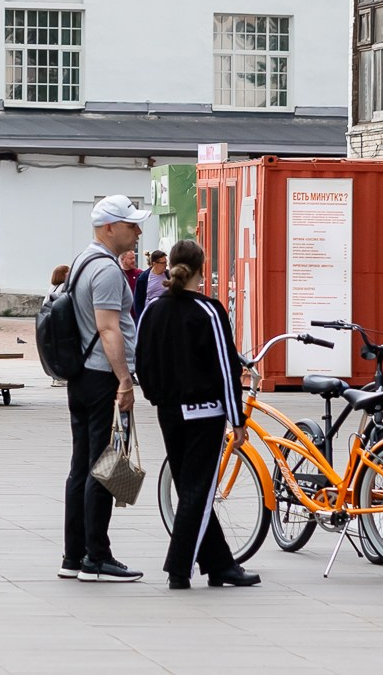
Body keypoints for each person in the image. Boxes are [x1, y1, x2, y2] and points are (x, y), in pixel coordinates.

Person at [133, 240, 259, 589]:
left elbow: (141, 359)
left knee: (191, 487)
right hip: (205, 413)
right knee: (200, 492)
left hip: (169, 412)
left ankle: (220, 565)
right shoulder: (209, 310)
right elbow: (226, 367)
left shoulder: (153, 310)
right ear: (202, 270)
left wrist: (156, 396)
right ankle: (178, 566)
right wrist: (237, 419)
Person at [60, 195, 148, 585]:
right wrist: (125, 381)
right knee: (103, 466)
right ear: (110, 227)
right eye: (132, 225)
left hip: (81, 376)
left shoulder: (81, 261)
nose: (138, 232)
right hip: (101, 377)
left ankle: (73, 554)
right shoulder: (108, 271)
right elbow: (108, 328)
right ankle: (97, 557)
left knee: (81, 466)